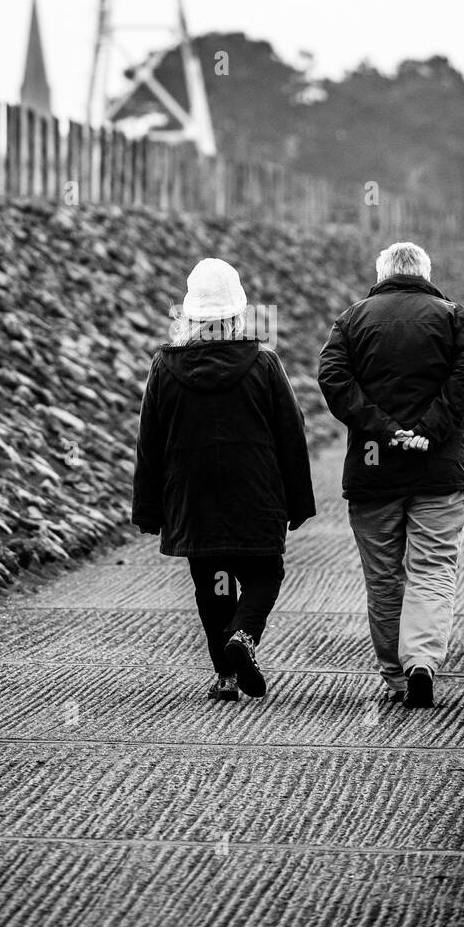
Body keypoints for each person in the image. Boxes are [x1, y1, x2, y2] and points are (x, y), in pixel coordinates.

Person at [132, 258, 315, 701]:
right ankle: (244, 638)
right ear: (237, 314)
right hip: (255, 495)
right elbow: (291, 435)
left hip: (193, 500)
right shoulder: (264, 364)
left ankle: (227, 677)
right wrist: (298, 501)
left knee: (212, 587)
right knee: (264, 573)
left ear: (189, 316)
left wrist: (149, 509)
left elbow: (149, 442)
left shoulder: (165, 368)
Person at [317, 241, 464, 709]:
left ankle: (395, 678)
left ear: (382, 273)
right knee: (432, 570)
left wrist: (386, 430)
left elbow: (334, 381)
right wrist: (429, 431)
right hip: (438, 470)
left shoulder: (352, 320)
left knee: (384, 577)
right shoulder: (456, 317)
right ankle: (421, 664)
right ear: (425, 273)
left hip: (374, 472)